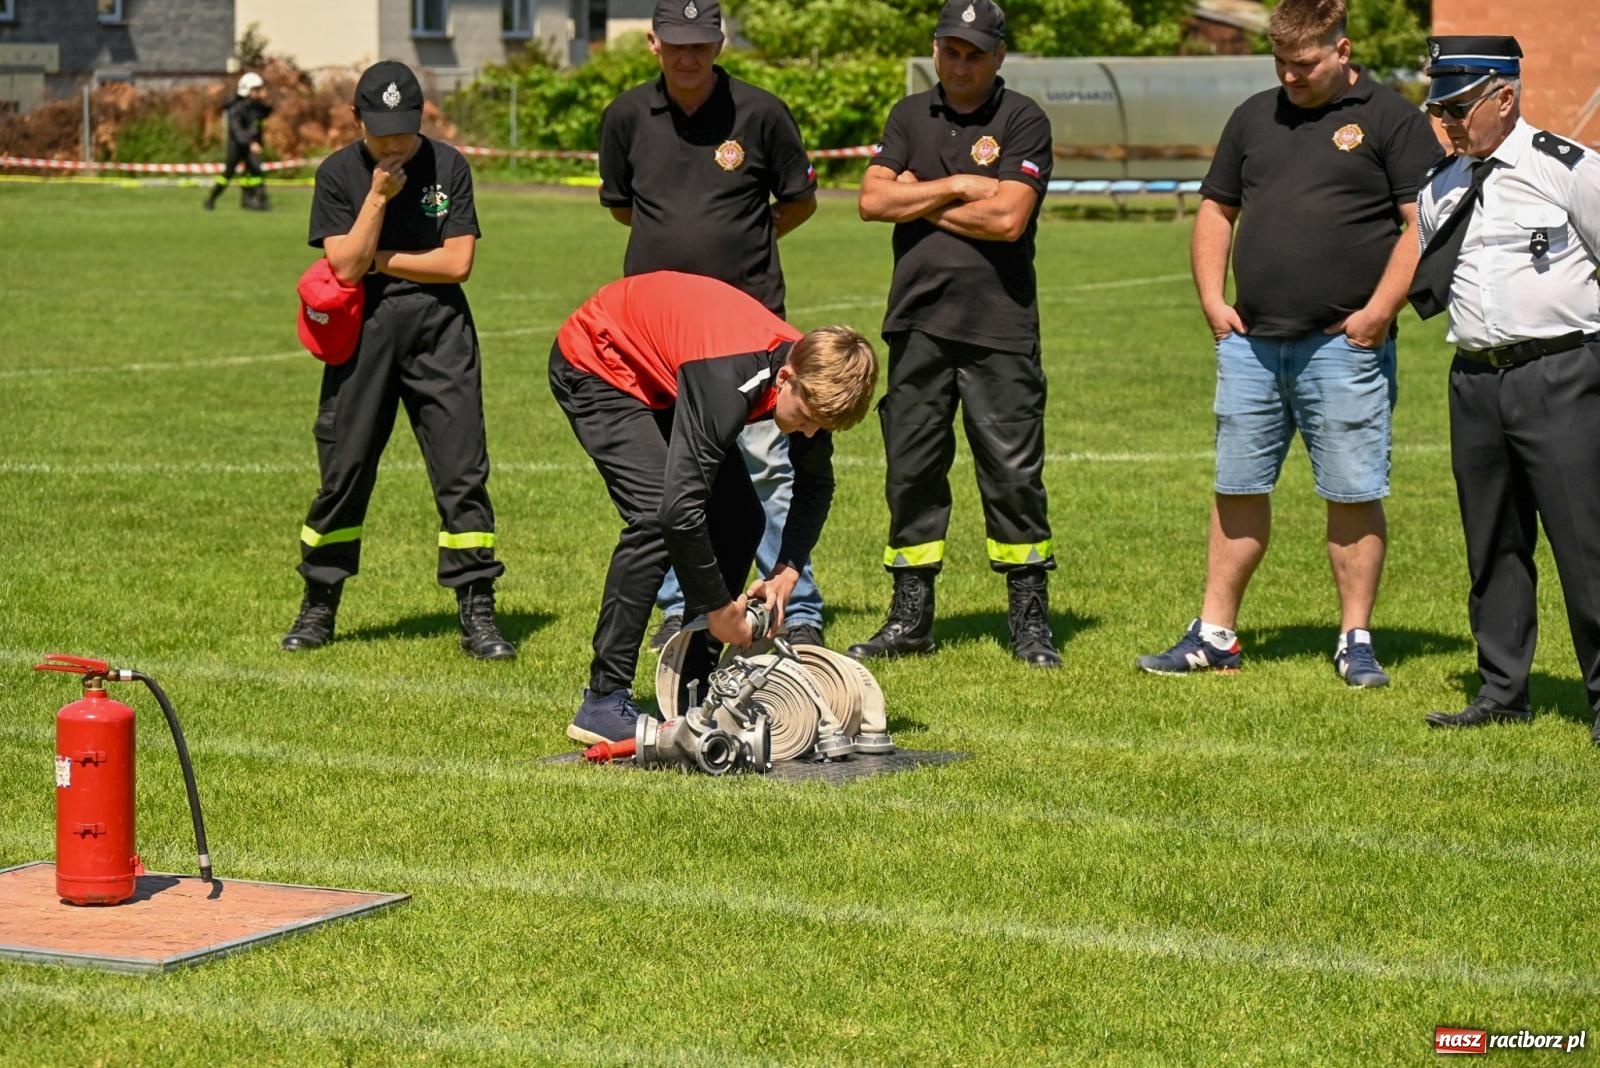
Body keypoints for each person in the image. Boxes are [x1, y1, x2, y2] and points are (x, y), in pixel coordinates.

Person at [1134, 0, 1443, 686]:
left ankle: (1355, 639)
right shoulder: (1253, 115)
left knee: (1352, 492)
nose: (1291, 77)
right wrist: (1213, 301)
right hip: (1251, 345)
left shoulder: (1391, 117)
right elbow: (1217, 206)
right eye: (1280, 63)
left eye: (1303, 64)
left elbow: (1421, 222)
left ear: (1342, 50)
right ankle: (1215, 635)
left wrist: (1378, 314)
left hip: (1343, 346)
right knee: (1237, 486)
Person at [549, 271, 878, 745]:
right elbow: (679, 512)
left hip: (667, 371)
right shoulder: (729, 381)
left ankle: (691, 690)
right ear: (786, 378)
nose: (809, 435)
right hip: (599, 363)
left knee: (743, 517)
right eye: (806, 419)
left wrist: (787, 569)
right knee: (651, 517)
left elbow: (815, 485)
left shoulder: (812, 381)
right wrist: (723, 610)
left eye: (821, 427)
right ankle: (602, 701)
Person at [597, 0, 826, 652]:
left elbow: (800, 200)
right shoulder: (625, 117)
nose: (689, 56)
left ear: (720, 42)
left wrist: (744, 237)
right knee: (678, 475)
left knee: (768, 465)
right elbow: (622, 207)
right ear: (653, 43)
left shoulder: (761, 112)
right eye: (676, 44)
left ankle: (796, 603)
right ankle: (684, 606)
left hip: (751, 333)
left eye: (701, 43)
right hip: (657, 341)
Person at [280, 59, 515, 662]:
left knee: (462, 472)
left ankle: (476, 607)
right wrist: (379, 197)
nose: (394, 140)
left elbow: (457, 264)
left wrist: (383, 259)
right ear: (356, 118)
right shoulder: (336, 173)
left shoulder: (449, 165)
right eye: (381, 128)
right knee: (345, 470)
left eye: (405, 128)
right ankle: (319, 601)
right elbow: (345, 265)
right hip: (365, 335)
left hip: (442, 330)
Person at [853, 0, 1061, 669]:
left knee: (1012, 476)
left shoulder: (1023, 118)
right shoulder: (909, 116)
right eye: (950, 49)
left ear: (998, 55)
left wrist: (925, 192)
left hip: (999, 326)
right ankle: (909, 618)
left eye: (974, 52)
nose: (960, 63)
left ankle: (1029, 622)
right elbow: (870, 201)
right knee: (911, 472)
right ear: (935, 50)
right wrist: (967, 188)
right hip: (916, 322)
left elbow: (1008, 222)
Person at [1407, 37, 1600, 737]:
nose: (1448, 124)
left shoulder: (1566, 170)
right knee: (1492, 544)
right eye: (1439, 112)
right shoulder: (1441, 184)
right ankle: (1501, 691)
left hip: (1561, 374)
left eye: (1458, 109)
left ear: (1504, 98)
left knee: (1585, 545)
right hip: (1476, 382)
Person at [205, 71, 273, 211]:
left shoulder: (256, 106)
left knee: (256, 173)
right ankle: (211, 199)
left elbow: (267, 112)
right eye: (256, 89)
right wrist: (251, 143)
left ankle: (259, 201)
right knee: (228, 174)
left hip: (251, 146)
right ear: (248, 90)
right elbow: (237, 131)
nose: (258, 92)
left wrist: (267, 99)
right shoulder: (236, 108)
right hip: (237, 146)